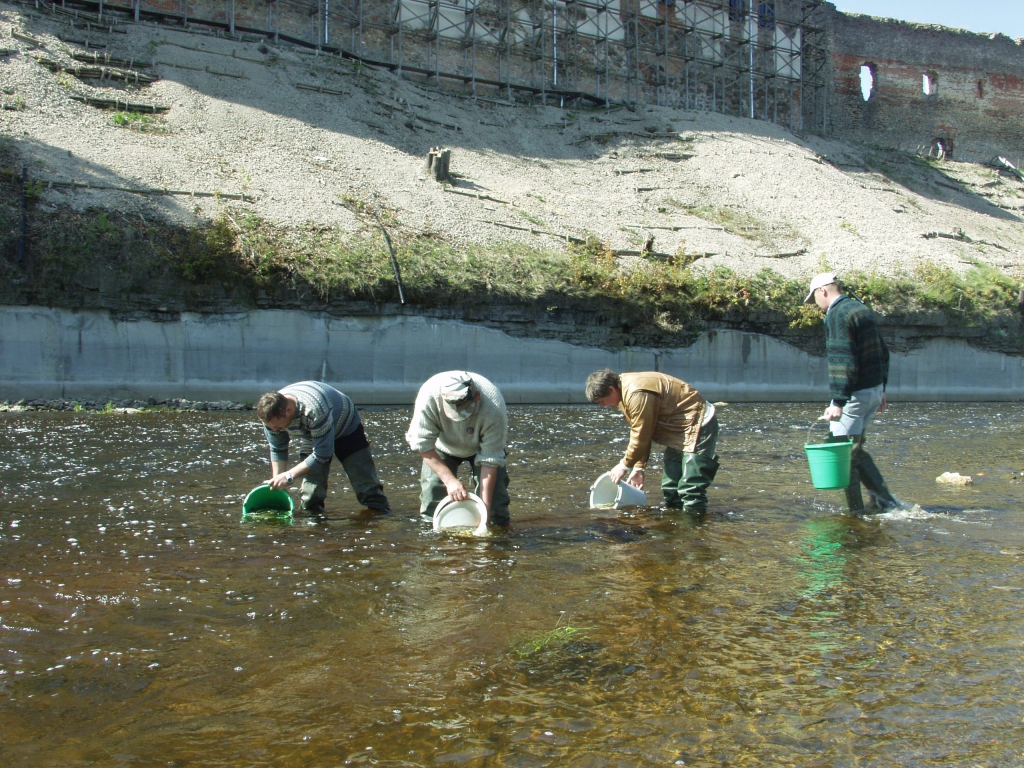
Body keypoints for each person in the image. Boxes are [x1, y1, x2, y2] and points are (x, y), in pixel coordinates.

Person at [806, 272, 899, 512]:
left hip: (855, 396)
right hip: (873, 390)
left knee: (842, 453)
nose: (816, 305)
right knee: (855, 450)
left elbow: (842, 360)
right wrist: (882, 389)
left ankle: (856, 513)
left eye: (814, 299)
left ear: (822, 291)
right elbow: (883, 351)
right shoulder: (860, 309)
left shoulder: (836, 314)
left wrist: (838, 401)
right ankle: (884, 502)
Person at [585, 369, 719, 514]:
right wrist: (638, 468)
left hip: (698, 423)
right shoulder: (624, 392)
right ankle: (676, 527)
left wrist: (623, 465)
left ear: (611, 389)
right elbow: (644, 431)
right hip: (678, 429)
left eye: (602, 401)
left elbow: (641, 435)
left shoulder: (636, 393)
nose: (602, 406)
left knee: (691, 489)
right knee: (671, 487)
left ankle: (691, 530)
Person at [256, 381, 390, 515]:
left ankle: (381, 516)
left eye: (277, 426)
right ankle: (312, 528)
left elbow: (322, 454)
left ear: (288, 410)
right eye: (270, 426)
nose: (274, 430)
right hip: (313, 435)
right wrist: (278, 481)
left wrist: (289, 476)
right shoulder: (271, 417)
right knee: (311, 493)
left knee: (366, 486)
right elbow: (278, 448)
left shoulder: (313, 410)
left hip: (346, 429)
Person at [405, 371, 510, 527]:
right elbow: (421, 443)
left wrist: (485, 516)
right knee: (432, 499)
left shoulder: (493, 406)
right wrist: (449, 480)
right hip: (442, 447)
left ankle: (497, 540)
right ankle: (432, 538)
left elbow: (491, 460)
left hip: (481, 449)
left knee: (495, 505)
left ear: (478, 397)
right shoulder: (429, 396)